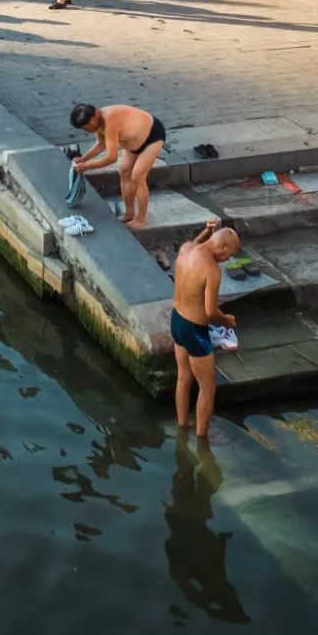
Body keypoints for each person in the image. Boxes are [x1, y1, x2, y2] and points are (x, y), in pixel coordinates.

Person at [169, 218, 241, 438]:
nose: (226, 260)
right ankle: (202, 439)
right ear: (222, 246)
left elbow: (195, 242)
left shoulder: (186, 249)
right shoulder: (211, 270)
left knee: (183, 378)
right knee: (208, 388)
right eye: (228, 255)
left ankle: (182, 427)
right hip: (195, 330)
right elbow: (210, 312)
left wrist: (206, 231)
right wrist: (226, 320)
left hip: (176, 320)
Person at [69, 101, 166, 229]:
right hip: (133, 142)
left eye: (85, 127)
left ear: (92, 119)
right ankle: (129, 213)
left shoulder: (110, 122)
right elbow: (100, 145)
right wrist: (84, 159)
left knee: (137, 176)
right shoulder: (98, 121)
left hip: (152, 136)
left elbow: (112, 158)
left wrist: (87, 166)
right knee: (124, 172)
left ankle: (141, 219)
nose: (85, 131)